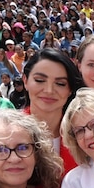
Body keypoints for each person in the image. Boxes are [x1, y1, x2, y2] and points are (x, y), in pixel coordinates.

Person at [22, 48, 85, 176]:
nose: (49, 90)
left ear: (70, 90)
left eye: (60, 83)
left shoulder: (84, 135)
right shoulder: (6, 133)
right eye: (40, 80)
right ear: (25, 81)